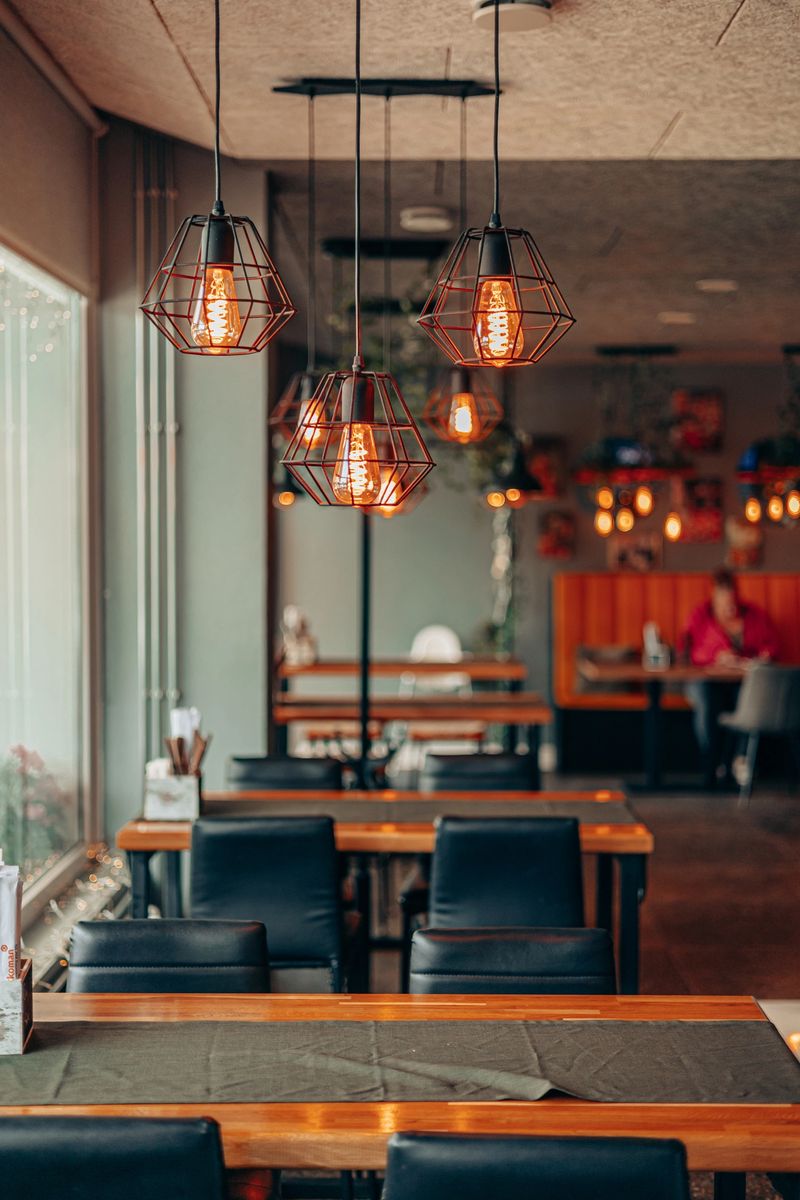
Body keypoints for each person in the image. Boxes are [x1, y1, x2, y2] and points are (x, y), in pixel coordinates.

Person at [679, 567, 779, 787]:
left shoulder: (754, 615)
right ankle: (711, 762)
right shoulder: (700, 616)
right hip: (706, 679)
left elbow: (771, 646)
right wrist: (716, 657)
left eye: (733, 601)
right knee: (707, 700)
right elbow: (687, 651)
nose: (730, 607)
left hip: (741, 680)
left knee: (748, 700)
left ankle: (740, 761)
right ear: (714, 597)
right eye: (725, 603)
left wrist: (760, 656)